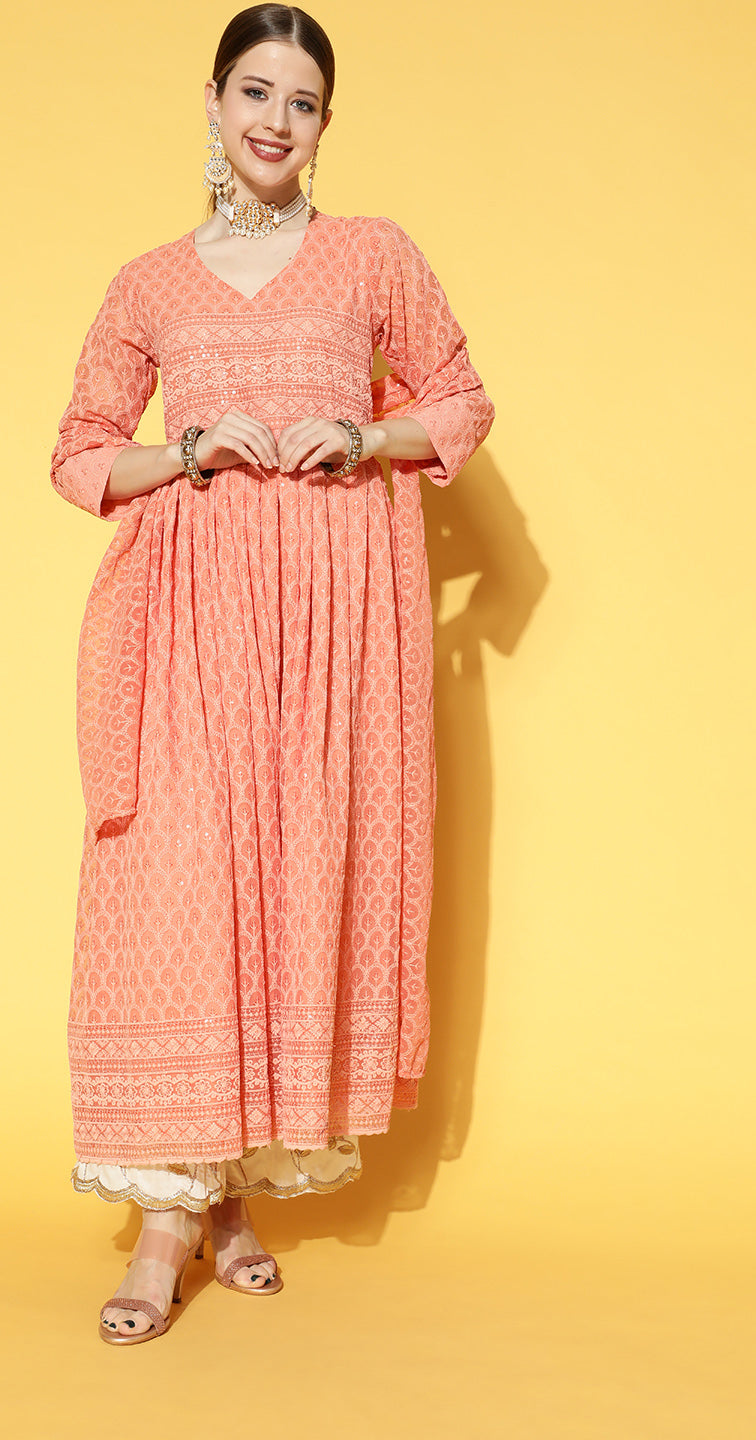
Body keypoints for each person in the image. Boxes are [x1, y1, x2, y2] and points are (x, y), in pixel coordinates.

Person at [51, 3, 494, 1346]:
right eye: (254, 92)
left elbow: (461, 397)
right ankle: (169, 1222)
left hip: (332, 633)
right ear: (212, 101)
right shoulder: (150, 282)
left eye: (301, 102)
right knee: (184, 886)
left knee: (281, 889)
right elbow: (78, 451)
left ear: (324, 125)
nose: (274, 121)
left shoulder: (373, 254)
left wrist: (363, 437)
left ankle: (227, 1200)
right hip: (190, 618)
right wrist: (187, 454)